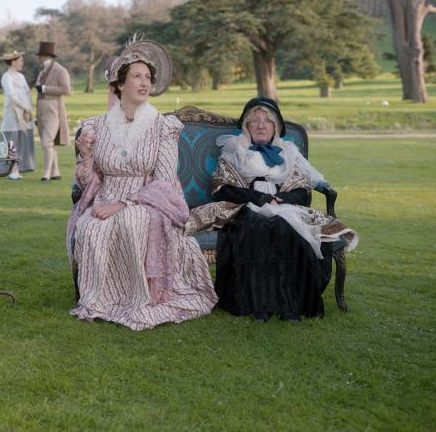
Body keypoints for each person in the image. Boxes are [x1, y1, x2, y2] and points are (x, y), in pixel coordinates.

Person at [67, 36, 217, 330]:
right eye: (136, 76)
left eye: (147, 77)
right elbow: (89, 182)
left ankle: (140, 299)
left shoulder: (163, 126)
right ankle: (104, 299)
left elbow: (163, 181)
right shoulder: (97, 125)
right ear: (120, 84)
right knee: (91, 227)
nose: (144, 82)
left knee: (131, 221)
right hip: (106, 196)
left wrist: (122, 203)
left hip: (150, 199)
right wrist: (85, 157)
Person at [185, 97, 359, 322]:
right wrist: (258, 197)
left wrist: (280, 198)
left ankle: (289, 305)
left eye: (267, 121)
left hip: (283, 206)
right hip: (245, 205)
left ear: (275, 127)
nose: (260, 125)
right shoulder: (234, 150)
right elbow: (222, 189)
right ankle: (258, 305)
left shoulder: (289, 152)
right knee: (254, 228)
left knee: (285, 228)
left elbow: (303, 190)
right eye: (254, 120)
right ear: (246, 126)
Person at [34, 41, 72, 182]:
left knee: (47, 141)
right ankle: (55, 172)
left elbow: (66, 90)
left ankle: (46, 173)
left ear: (44, 56)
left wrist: (45, 88)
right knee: (50, 143)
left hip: (53, 108)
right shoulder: (42, 71)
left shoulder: (60, 70)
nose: (39, 59)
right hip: (41, 108)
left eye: (40, 56)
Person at [0, 49, 35, 180]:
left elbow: (27, 94)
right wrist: (25, 108)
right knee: (11, 141)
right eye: (20, 60)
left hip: (24, 114)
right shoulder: (6, 77)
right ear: (13, 62)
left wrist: (28, 109)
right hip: (12, 113)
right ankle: (10, 170)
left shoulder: (21, 77)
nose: (22, 63)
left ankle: (17, 169)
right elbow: (12, 97)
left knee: (20, 141)